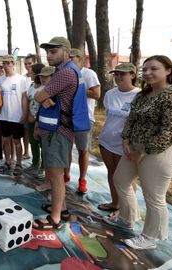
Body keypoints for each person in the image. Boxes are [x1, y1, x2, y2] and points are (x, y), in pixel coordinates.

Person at [103, 55, 172, 250]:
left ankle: (150, 237)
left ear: (168, 71)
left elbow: (169, 132)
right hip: (134, 148)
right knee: (120, 180)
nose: (148, 73)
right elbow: (131, 118)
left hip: (160, 152)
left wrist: (142, 152)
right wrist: (126, 139)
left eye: (154, 69)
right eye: (145, 69)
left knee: (154, 196)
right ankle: (127, 218)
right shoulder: (143, 94)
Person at [33, 37, 78, 230]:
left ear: (66, 51)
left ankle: (56, 218)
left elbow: (38, 94)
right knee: (53, 171)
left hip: (59, 130)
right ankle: (63, 209)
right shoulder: (66, 70)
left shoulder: (65, 73)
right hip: (56, 128)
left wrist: (43, 98)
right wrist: (45, 100)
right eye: (47, 52)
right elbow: (44, 97)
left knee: (55, 173)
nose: (48, 55)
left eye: (53, 52)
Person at [97, 63, 141, 212]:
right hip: (106, 141)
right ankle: (115, 203)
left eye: (123, 74)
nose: (118, 77)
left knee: (126, 179)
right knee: (112, 173)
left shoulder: (140, 95)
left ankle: (126, 210)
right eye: (116, 74)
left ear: (132, 75)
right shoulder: (110, 94)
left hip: (125, 145)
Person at [65, 48, 101, 194]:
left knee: (83, 150)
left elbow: (97, 94)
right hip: (67, 117)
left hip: (84, 118)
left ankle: (82, 179)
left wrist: (77, 89)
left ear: (80, 59)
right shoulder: (66, 73)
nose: (69, 61)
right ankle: (66, 175)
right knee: (65, 149)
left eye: (72, 58)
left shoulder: (88, 73)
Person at [0, 55, 28, 176]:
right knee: (5, 140)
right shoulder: (0, 80)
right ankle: (7, 161)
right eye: (4, 63)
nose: (6, 66)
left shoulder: (21, 79)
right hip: (4, 116)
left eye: (8, 63)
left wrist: (24, 113)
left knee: (17, 141)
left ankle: (18, 164)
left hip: (17, 116)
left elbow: (24, 98)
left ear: (13, 64)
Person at [21, 54, 36, 161]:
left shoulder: (41, 77)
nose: (27, 66)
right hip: (27, 110)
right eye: (25, 64)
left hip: (38, 111)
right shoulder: (23, 78)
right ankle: (26, 152)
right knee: (26, 132)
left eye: (30, 63)